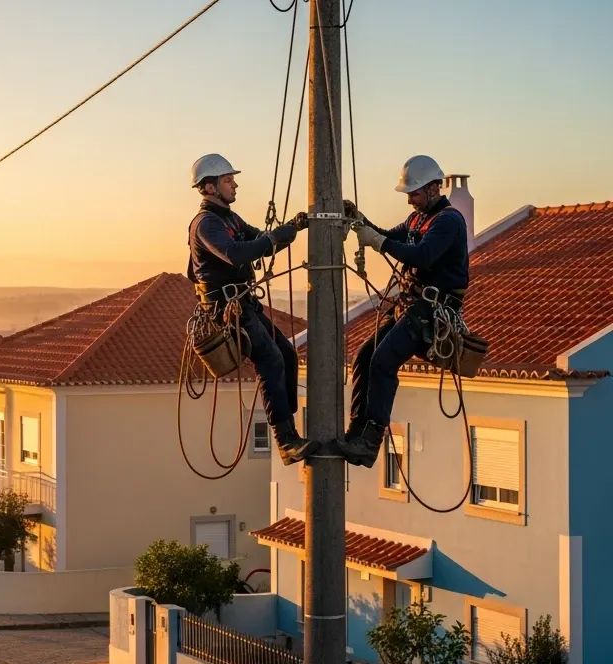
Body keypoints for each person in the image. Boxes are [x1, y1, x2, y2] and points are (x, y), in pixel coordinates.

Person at [333, 155, 470, 467]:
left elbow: (422, 255)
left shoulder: (448, 221)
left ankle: (370, 441)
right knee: (365, 356)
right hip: (412, 305)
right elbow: (390, 235)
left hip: (430, 310)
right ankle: (357, 430)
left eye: (415, 193)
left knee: (383, 361)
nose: (410, 200)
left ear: (435, 188)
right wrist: (360, 219)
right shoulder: (418, 220)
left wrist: (378, 242)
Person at [187, 153, 317, 466]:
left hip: (243, 304)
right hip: (226, 311)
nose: (235, 185)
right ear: (209, 187)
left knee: (286, 353)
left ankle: (291, 428)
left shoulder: (229, 219)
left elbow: (257, 238)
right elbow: (236, 253)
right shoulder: (206, 224)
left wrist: (290, 229)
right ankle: (286, 440)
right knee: (270, 360)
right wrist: (276, 237)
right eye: (228, 180)